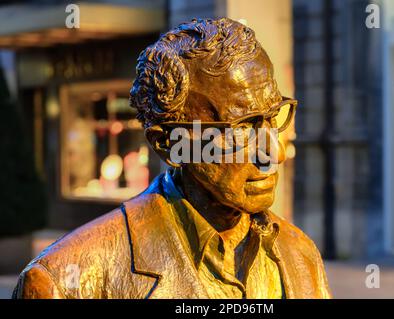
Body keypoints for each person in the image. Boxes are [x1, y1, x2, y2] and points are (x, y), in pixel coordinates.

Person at [13, 18, 331, 299]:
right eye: (241, 129)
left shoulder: (298, 253)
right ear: (169, 144)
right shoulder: (67, 280)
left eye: (274, 116)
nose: (273, 153)